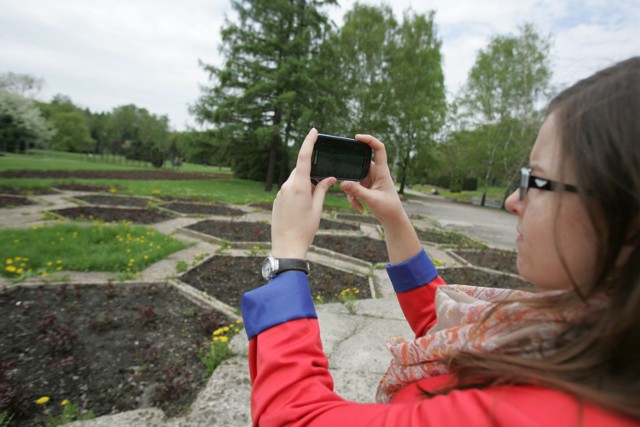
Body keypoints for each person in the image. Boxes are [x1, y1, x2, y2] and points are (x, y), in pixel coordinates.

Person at [240, 57, 640, 426]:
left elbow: (297, 418)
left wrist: (288, 258)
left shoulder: (525, 412)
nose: (513, 201)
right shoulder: (592, 333)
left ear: (628, 222)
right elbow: (446, 327)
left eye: (537, 181)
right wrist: (394, 218)